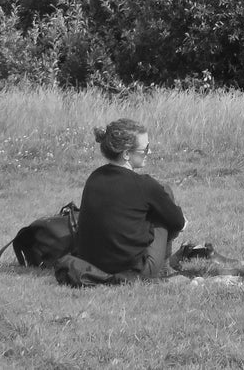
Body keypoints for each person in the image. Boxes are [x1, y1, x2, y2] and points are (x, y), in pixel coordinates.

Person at [68, 118, 186, 282]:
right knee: (164, 195)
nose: (149, 153)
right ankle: (163, 269)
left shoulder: (94, 178)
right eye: (145, 149)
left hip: (91, 265)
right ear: (126, 154)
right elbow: (178, 223)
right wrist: (177, 219)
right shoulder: (145, 185)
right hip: (134, 271)